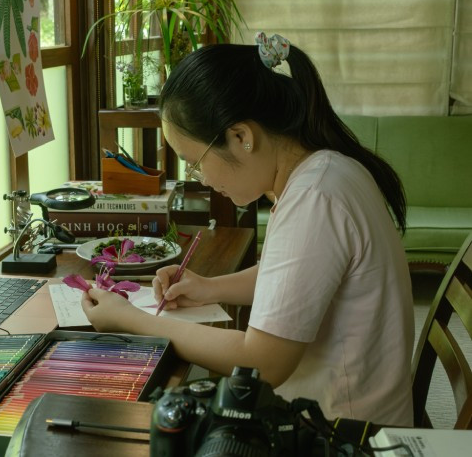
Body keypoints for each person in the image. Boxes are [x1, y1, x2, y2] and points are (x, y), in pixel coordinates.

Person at [81, 33, 414, 426]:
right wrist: (210, 287)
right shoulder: (325, 172)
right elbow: (295, 277)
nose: (202, 179)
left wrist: (132, 321)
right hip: (343, 414)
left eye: (195, 162)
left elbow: (263, 363)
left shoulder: (314, 198)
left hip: (344, 433)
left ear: (241, 137)